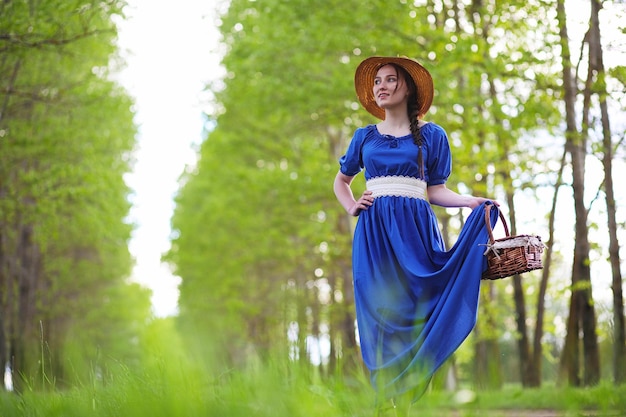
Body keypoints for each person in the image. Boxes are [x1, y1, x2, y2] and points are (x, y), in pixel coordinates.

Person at [333, 56, 499, 413]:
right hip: (374, 234)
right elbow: (342, 180)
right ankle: (384, 401)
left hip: (416, 233)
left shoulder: (432, 136)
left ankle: (406, 398)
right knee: (379, 309)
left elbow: (436, 190)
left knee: (416, 308)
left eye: (391, 79)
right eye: (378, 81)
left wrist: (471, 201)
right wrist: (351, 206)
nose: (382, 86)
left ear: (408, 88)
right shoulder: (364, 137)